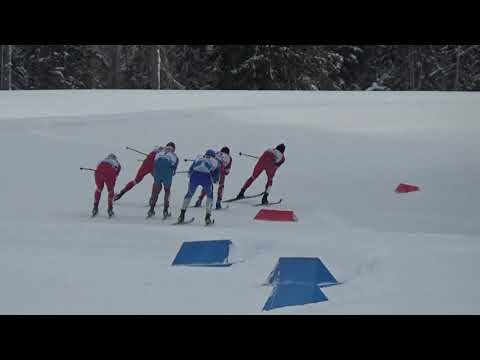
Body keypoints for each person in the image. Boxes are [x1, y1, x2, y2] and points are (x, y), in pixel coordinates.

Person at [178, 149, 220, 225]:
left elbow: (190, 171)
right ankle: (207, 217)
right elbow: (216, 179)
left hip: (194, 176)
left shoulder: (199, 157)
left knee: (189, 194)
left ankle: (181, 215)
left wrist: (191, 175)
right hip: (206, 177)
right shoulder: (215, 161)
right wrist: (214, 180)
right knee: (210, 196)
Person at [147, 142, 179, 218]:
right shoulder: (174, 155)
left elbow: (154, 163)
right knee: (167, 191)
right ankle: (165, 210)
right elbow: (174, 169)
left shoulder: (159, 153)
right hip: (167, 174)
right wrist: (172, 172)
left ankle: (151, 209)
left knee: (156, 191)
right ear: (173, 149)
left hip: (157, 173)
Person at [92, 153, 121, 218]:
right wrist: (112, 187)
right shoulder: (117, 163)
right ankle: (110, 210)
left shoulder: (102, 161)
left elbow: (97, 170)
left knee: (99, 189)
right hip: (109, 174)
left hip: (98, 173)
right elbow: (115, 175)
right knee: (110, 191)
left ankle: (95, 208)